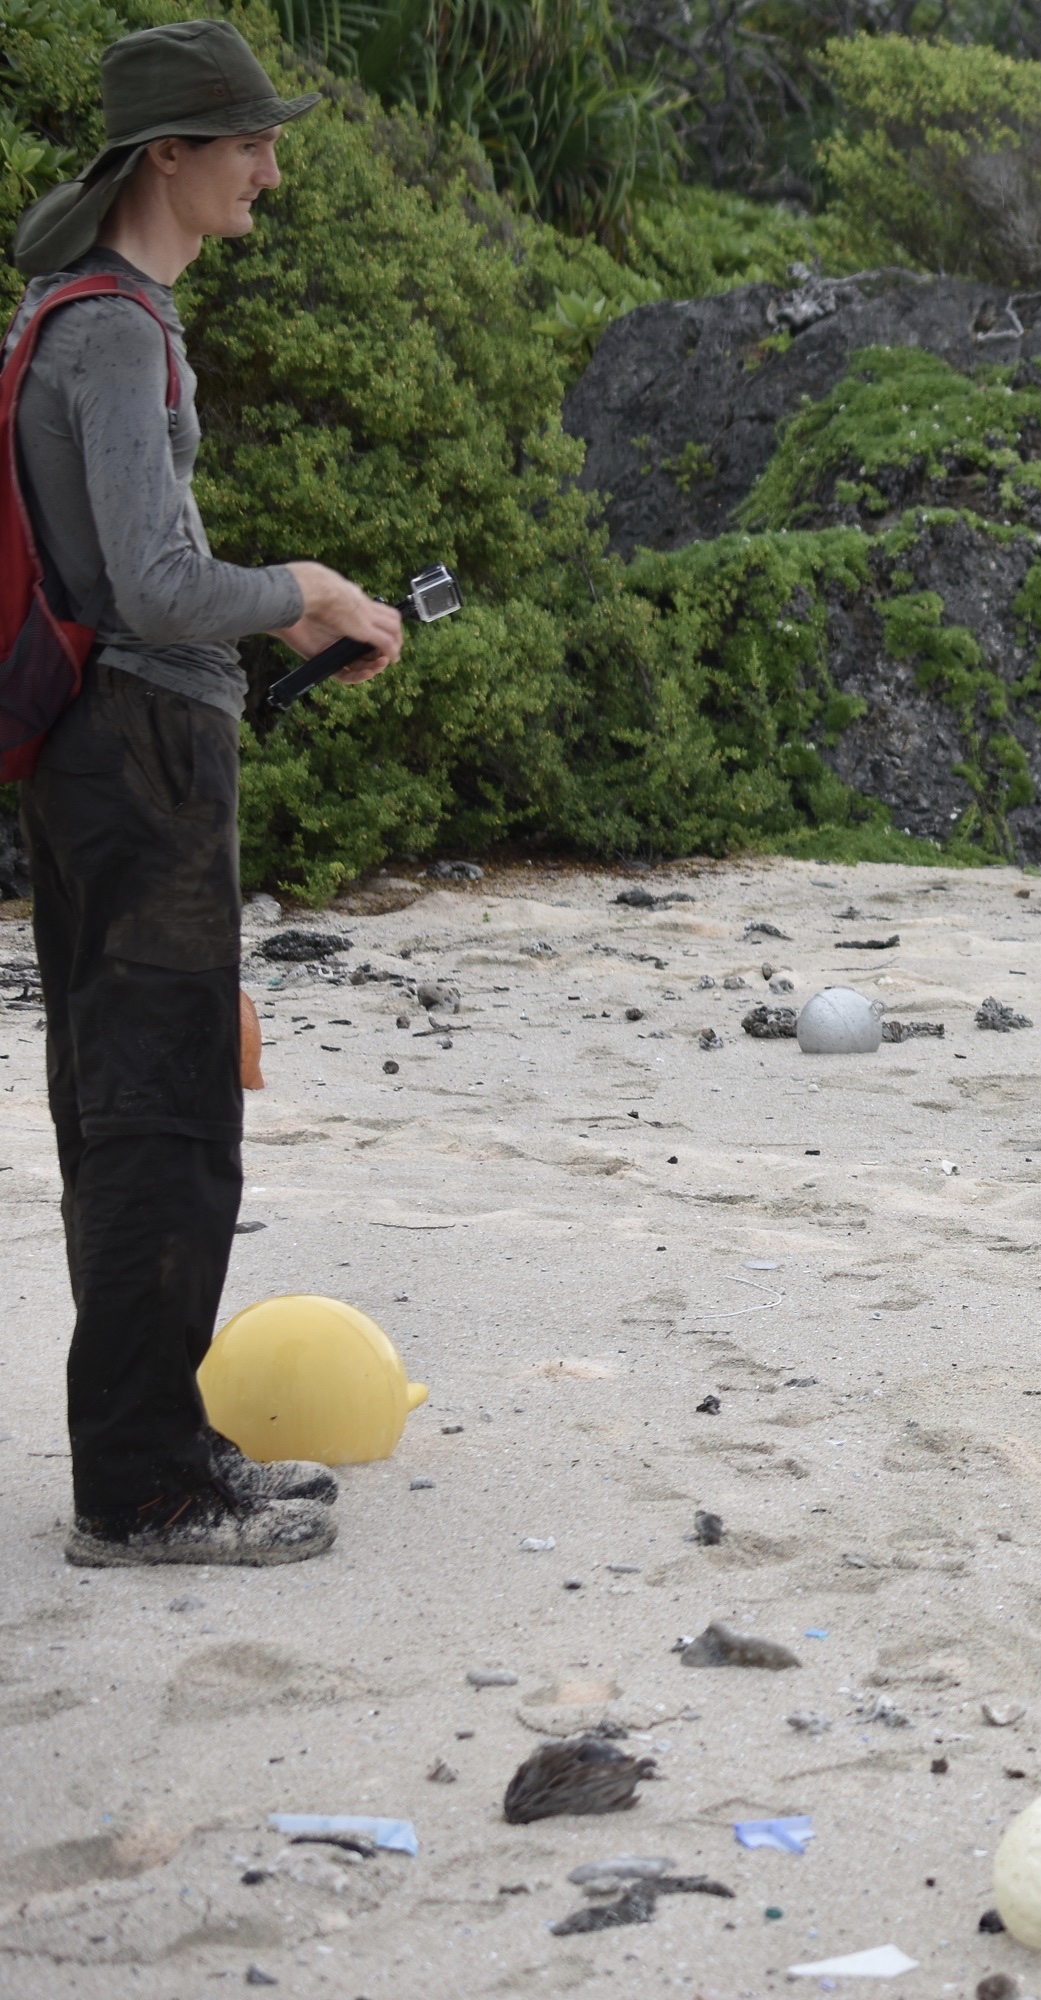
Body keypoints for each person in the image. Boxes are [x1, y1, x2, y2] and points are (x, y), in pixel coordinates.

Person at [6, 20, 402, 1567]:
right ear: (165, 155)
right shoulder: (111, 330)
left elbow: (132, 580)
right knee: (162, 1110)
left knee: (129, 1102)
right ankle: (144, 1487)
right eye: (247, 140)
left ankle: (157, 1440)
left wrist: (289, 621)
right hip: (141, 756)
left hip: (110, 748)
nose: (272, 167)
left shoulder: (80, 314)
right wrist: (299, 579)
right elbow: (163, 585)